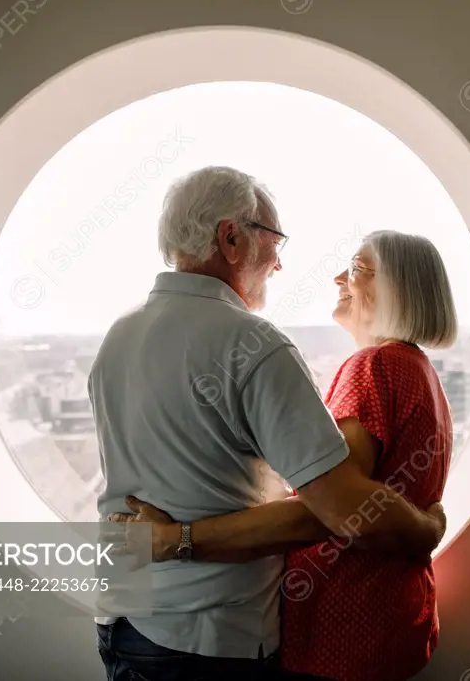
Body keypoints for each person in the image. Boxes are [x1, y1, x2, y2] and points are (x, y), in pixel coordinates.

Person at [91, 165, 447, 681]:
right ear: (231, 239)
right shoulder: (252, 344)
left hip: (125, 615)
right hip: (206, 634)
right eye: (274, 241)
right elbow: (343, 511)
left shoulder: (118, 336)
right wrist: (428, 525)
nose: (280, 265)